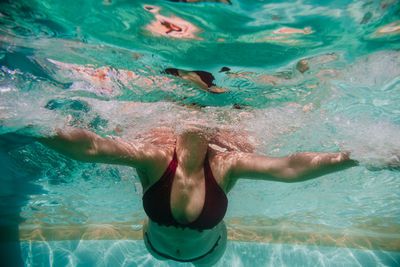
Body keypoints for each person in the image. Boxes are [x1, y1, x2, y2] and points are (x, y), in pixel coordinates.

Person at [37, 124, 357, 265]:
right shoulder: (153, 157)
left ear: (211, 129)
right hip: (156, 248)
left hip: (207, 255)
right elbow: (91, 147)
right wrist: (33, 127)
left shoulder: (227, 163)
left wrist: (354, 157)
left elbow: (289, 168)